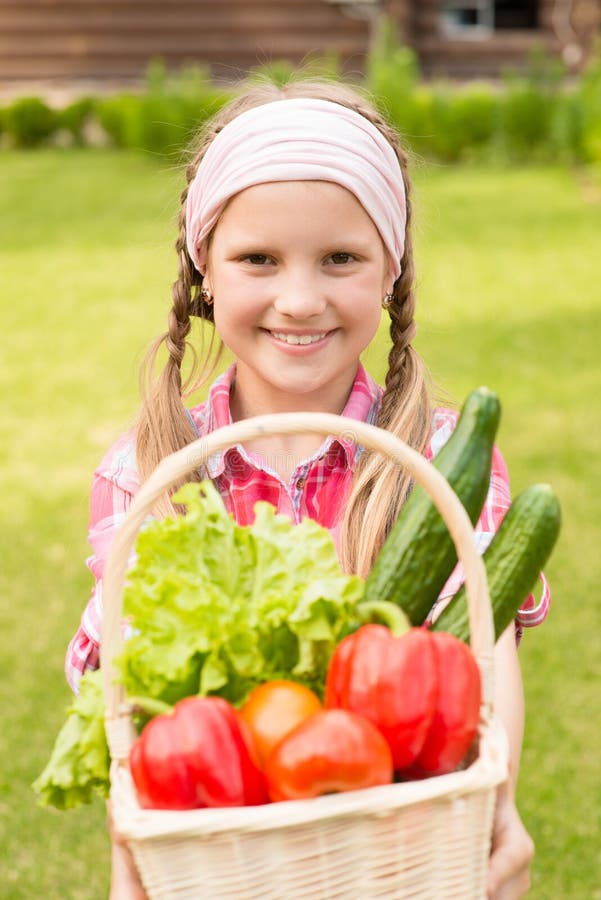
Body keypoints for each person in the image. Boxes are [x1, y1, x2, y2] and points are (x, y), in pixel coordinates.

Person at [65, 79, 549, 899]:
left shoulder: (435, 458)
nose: (299, 299)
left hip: (400, 849)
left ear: (390, 270)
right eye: (258, 259)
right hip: (225, 854)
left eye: (340, 259)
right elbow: (136, 701)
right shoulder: (148, 471)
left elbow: (483, 650)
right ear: (203, 271)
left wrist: (492, 806)